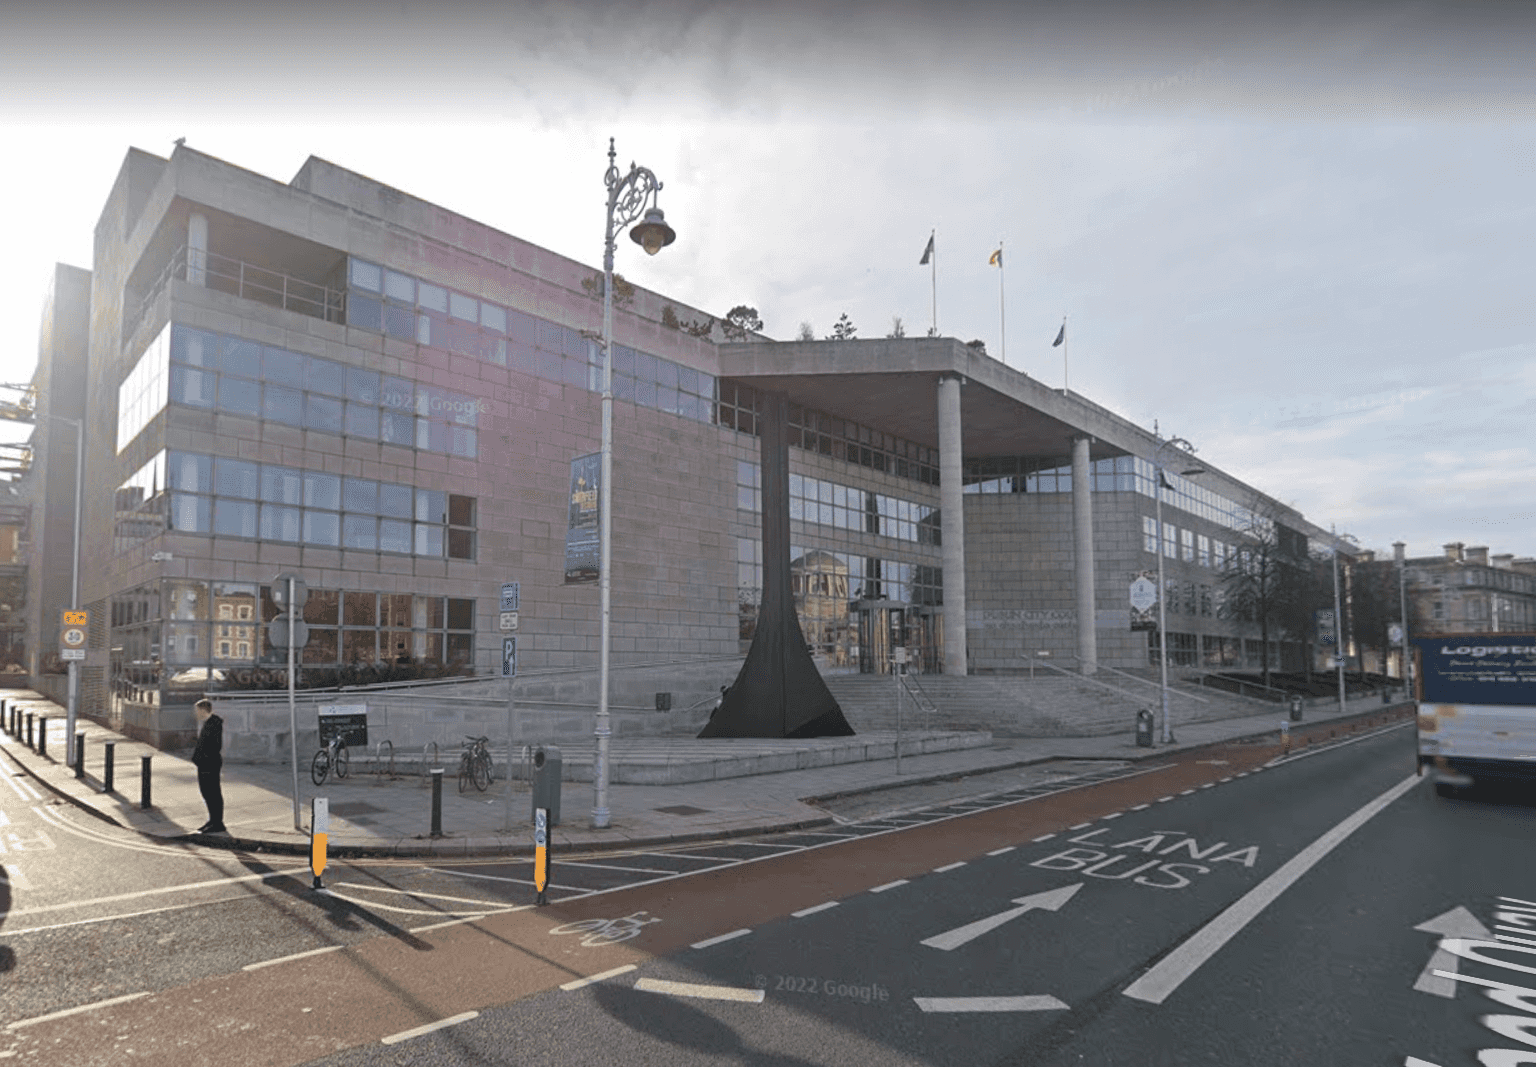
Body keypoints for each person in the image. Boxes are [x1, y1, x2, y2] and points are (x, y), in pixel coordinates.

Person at [191, 698, 226, 834]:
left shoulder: (214, 724)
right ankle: (212, 820)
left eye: (197, 710)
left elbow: (214, 746)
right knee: (207, 793)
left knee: (213, 793)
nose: (196, 713)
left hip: (209, 764)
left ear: (204, 710)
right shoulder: (208, 723)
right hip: (205, 764)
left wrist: (202, 759)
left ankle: (218, 823)